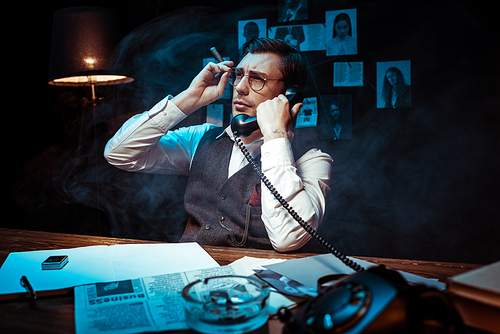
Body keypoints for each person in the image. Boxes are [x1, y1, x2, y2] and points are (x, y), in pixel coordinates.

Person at [104, 38, 333, 252]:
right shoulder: (201, 138)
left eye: (257, 79)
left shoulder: (312, 161)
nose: (240, 88)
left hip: (256, 288)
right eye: (239, 75)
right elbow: (119, 153)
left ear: (287, 94)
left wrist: (275, 136)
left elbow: (286, 239)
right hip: (191, 279)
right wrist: (188, 99)